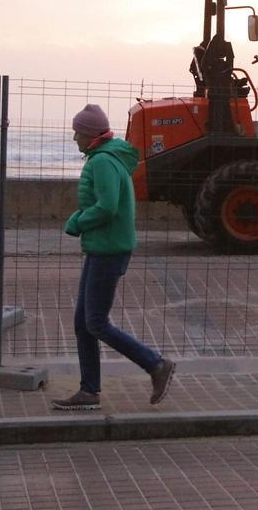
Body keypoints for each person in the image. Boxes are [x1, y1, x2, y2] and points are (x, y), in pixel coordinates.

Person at [53, 103, 175, 410]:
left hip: (108, 249)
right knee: (83, 322)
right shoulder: (108, 157)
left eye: (77, 133)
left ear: (91, 134)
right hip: (104, 247)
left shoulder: (103, 162)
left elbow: (107, 205)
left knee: (95, 322)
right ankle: (89, 391)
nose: (74, 139)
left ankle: (156, 365)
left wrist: (77, 221)